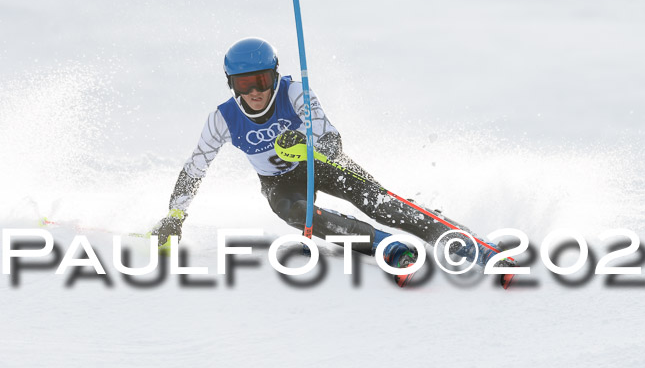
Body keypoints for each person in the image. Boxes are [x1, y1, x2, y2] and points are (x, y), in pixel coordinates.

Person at [152, 37, 510, 286]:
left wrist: (305, 146)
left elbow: (332, 142)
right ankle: (387, 247)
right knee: (297, 214)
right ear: (231, 85)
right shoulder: (222, 118)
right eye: (243, 85)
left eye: (260, 81)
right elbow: (195, 168)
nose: (254, 93)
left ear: (274, 75)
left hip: (321, 164)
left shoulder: (295, 93)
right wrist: (175, 216)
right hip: (279, 182)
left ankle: (471, 246)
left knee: (380, 203)